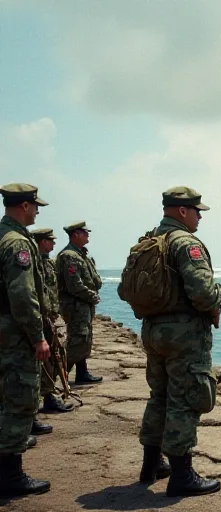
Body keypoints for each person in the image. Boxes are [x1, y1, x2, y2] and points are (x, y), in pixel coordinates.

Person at [122, 186, 221, 497]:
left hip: (153, 331)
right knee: (185, 399)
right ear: (182, 211)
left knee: (160, 397)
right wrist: (220, 298)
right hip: (183, 335)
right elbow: (204, 292)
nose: (199, 218)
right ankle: (182, 475)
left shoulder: (148, 242)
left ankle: (151, 465)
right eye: (197, 212)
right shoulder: (186, 243)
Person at [0, 183, 52, 498]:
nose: (36, 212)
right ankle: (10, 476)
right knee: (19, 400)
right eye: (35, 206)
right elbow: (22, 294)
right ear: (23, 206)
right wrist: (38, 336)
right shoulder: (17, 242)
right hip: (13, 332)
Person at [30, 228, 74, 414]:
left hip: (51, 316)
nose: (54, 244)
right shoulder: (36, 262)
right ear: (42, 242)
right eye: (50, 240)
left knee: (54, 359)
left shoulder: (48, 263)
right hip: (42, 317)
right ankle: (42, 400)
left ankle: (48, 397)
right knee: (44, 362)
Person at [56, 221, 103, 385]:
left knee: (83, 338)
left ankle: (82, 373)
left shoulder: (81, 254)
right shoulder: (69, 255)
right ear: (75, 235)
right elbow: (74, 285)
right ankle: (60, 376)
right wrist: (92, 296)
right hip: (75, 305)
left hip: (82, 305)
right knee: (77, 340)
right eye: (85, 233)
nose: (88, 235)